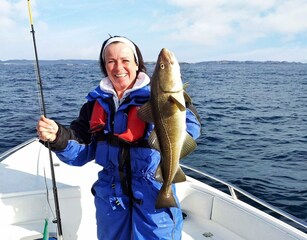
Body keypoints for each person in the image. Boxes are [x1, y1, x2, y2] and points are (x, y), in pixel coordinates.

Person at [36, 35, 201, 240]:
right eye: (111, 61)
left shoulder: (159, 96)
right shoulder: (95, 104)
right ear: (104, 66)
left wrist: (173, 111)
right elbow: (82, 151)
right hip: (111, 196)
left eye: (125, 60)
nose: (118, 67)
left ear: (137, 64)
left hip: (153, 190)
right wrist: (57, 137)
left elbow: (192, 128)